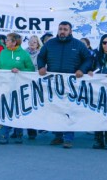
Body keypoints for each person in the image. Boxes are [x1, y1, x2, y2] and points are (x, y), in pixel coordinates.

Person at [37, 21, 92, 149]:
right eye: (60, 29)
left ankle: (68, 137)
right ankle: (57, 136)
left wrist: (81, 70)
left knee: (68, 110)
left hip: (71, 84)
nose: (62, 31)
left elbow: (88, 59)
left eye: (65, 29)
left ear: (70, 31)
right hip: (53, 83)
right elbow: (41, 57)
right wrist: (41, 67)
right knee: (56, 109)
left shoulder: (78, 45)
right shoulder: (50, 44)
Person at [0, 32, 35, 144]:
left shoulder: (23, 54)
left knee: (17, 110)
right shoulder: (3, 52)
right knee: (6, 109)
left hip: (19, 87)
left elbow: (31, 69)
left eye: (7, 40)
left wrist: (20, 71)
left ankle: (19, 133)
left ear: (14, 42)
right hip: (5, 86)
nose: (5, 42)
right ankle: (4, 135)